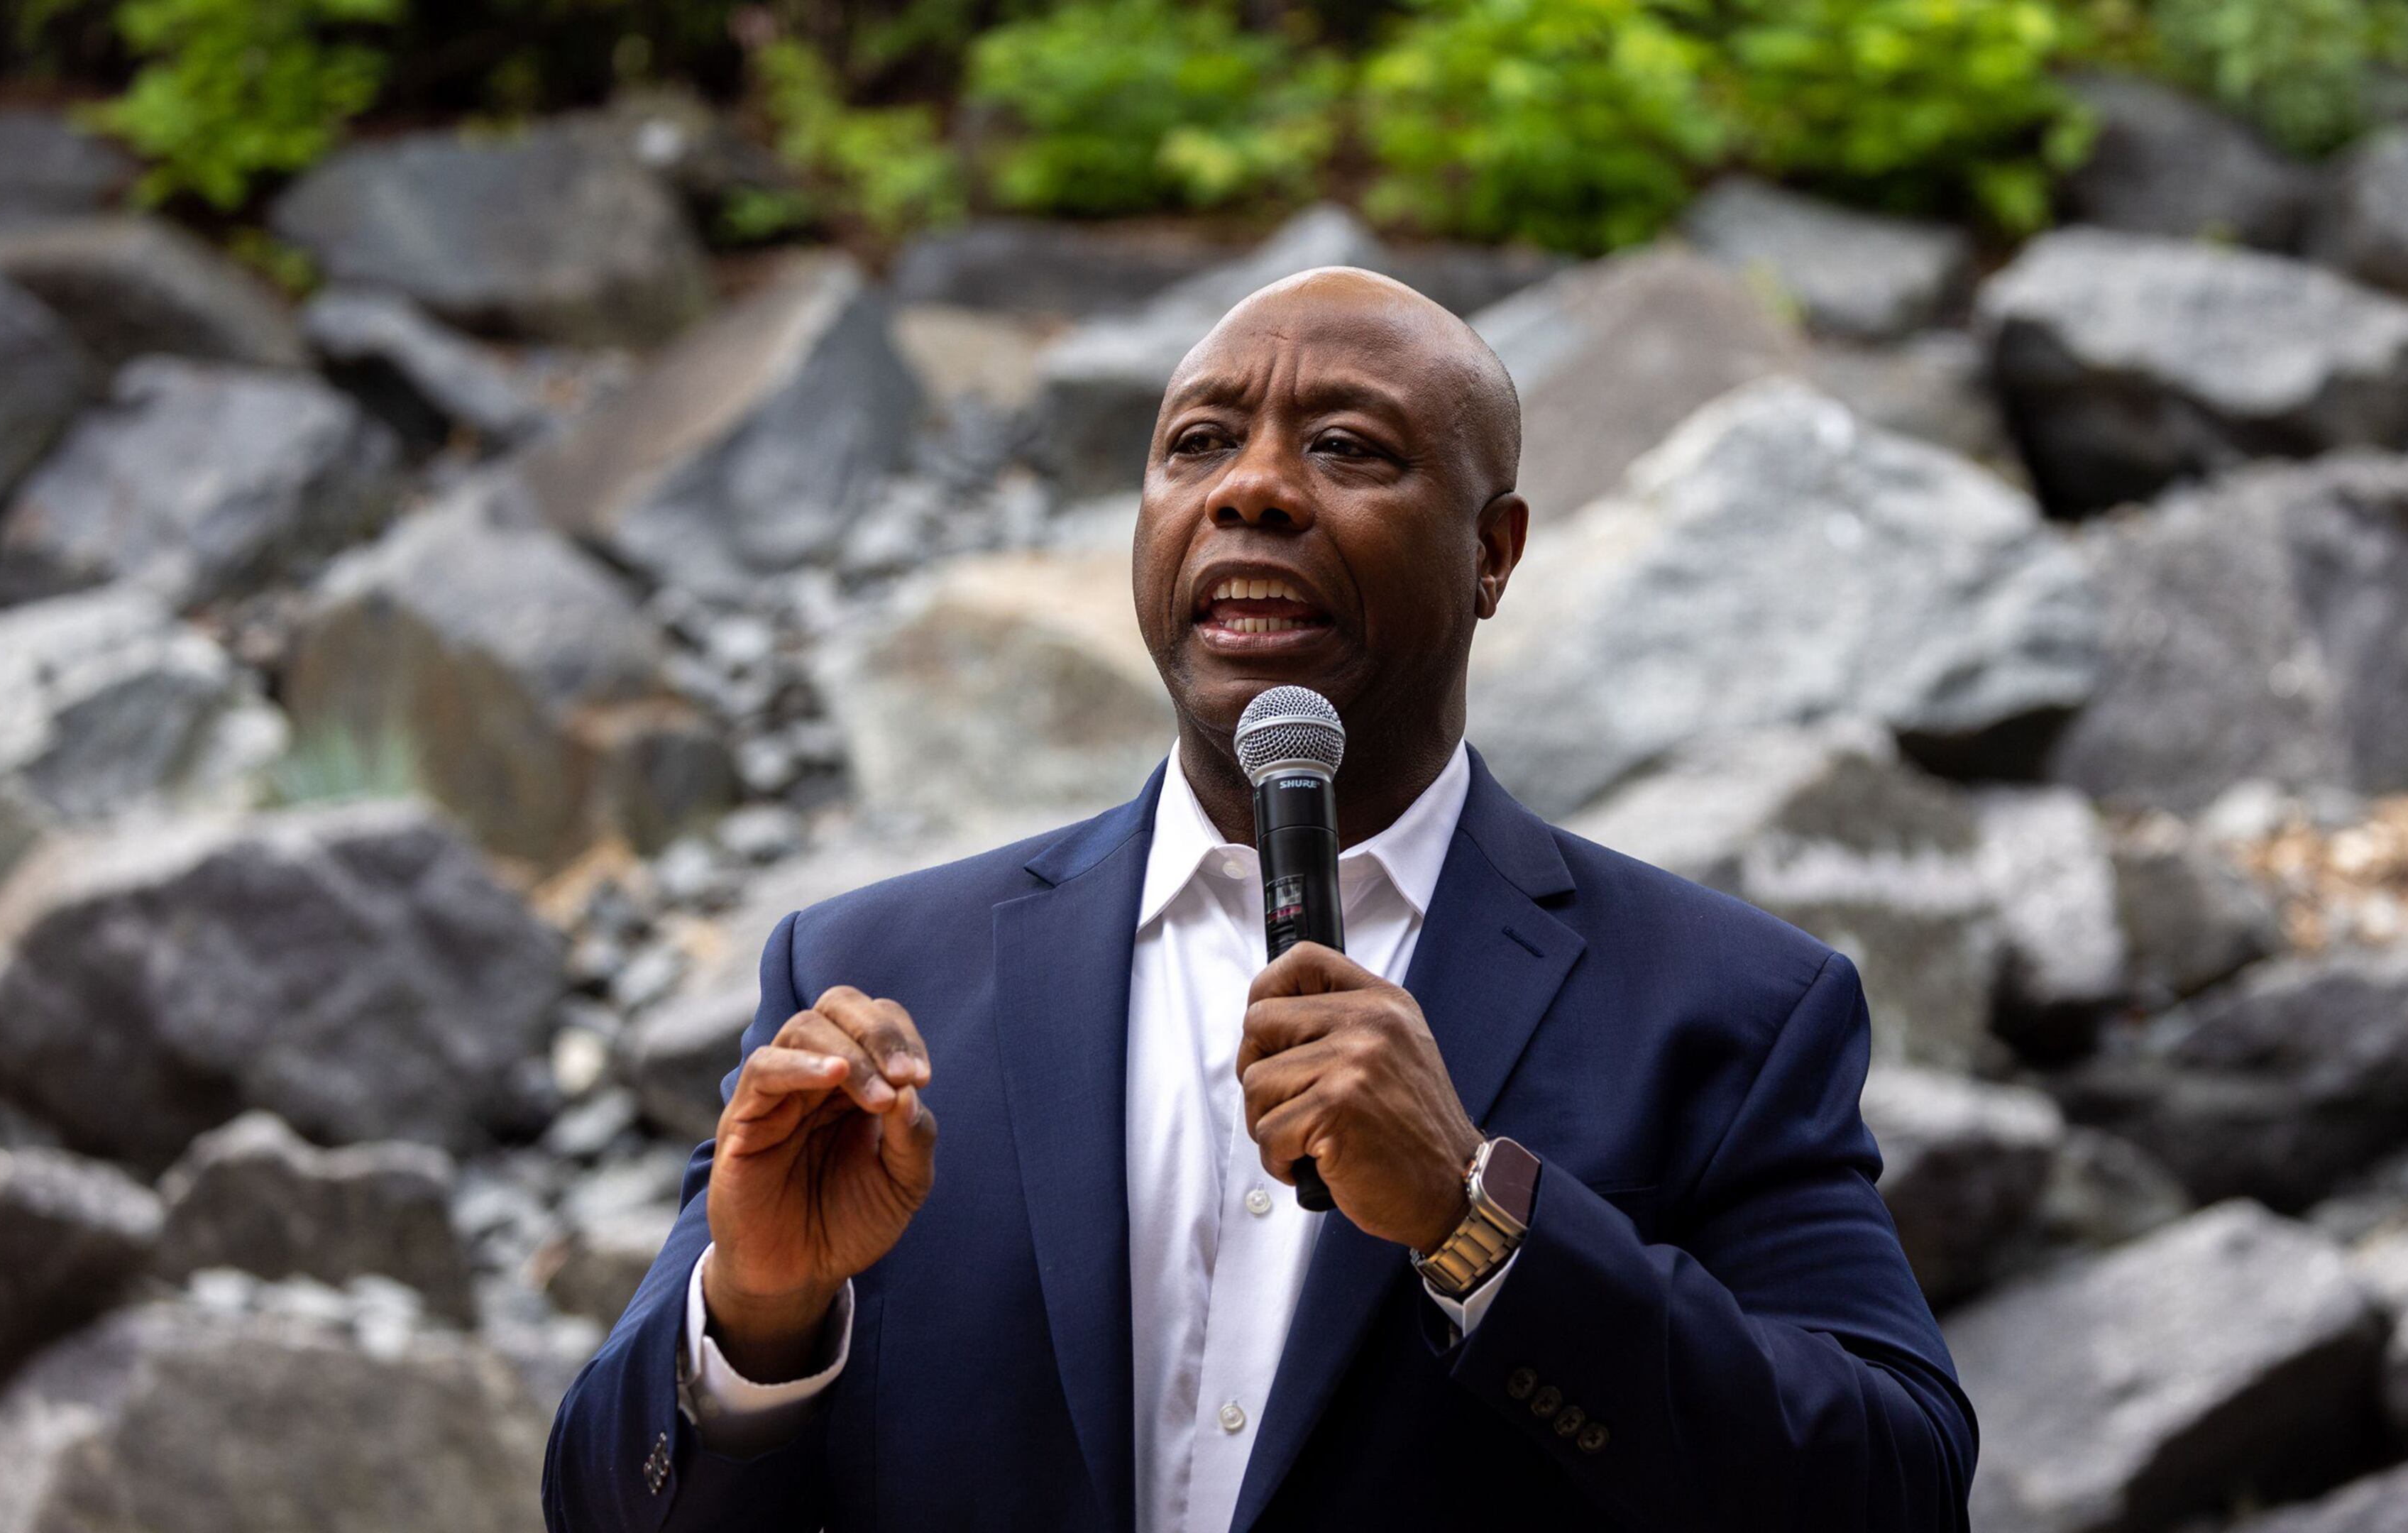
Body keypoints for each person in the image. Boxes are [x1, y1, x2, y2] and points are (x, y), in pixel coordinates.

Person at [542, 266, 1975, 1532]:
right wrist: (762, 1319)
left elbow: (1896, 1485)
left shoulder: (1725, 1007)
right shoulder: (873, 974)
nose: (1253, 488)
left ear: (1495, 552)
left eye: (1346, 447)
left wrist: (1481, 1224)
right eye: (1200, 445)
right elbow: (612, 1510)